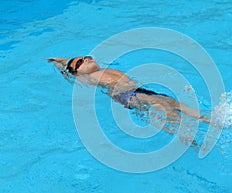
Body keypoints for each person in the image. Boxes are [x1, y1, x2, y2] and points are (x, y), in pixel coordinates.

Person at [47, 56, 210, 147]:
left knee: (171, 101)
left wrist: (61, 59)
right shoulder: (86, 78)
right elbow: (69, 67)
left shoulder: (101, 70)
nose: (86, 59)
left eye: (87, 57)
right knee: (161, 106)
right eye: (81, 62)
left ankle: (207, 119)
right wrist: (59, 63)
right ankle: (186, 132)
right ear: (77, 73)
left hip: (138, 90)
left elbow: (70, 61)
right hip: (127, 95)